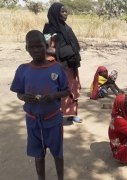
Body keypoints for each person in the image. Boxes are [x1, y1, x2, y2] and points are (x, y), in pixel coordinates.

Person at [10, 30, 70, 180]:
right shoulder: (23, 70)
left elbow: (67, 90)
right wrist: (24, 97)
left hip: (53, 121)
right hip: (33, 123)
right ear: (26, 48)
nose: (36, 50)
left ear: (47, 46)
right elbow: (18, 93)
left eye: (39, 46)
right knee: (38, 155)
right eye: (32, 47)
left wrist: (54, 95)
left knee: (58, 154)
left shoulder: (56, 68)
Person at [43, 3, 82, 123]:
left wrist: (64, 51)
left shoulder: (67, 29)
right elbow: (46, 49)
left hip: (70, 64)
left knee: (72, 89)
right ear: (55, 13)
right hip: (57, 65)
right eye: (63, 11)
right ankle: (56, 115)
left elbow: (76, 47)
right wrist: (64, 52)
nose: (66, 14)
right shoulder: (48, 30)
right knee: (58, 89)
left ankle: (71, 114)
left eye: (66, 11)